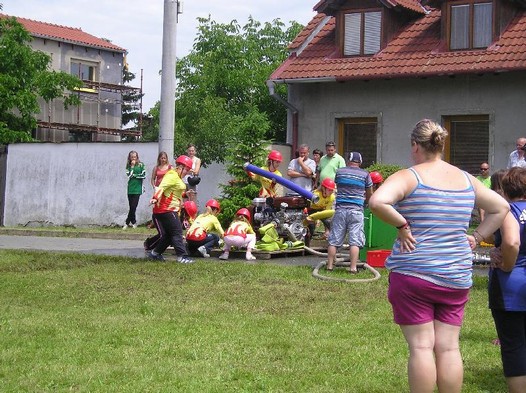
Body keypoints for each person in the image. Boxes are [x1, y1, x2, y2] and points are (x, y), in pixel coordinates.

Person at [368, 119, 509, 393]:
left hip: (413, 274)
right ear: (440, 145)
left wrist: (402, 225)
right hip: (455, 276)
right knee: (448, 348)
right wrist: (478, 236)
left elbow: (377, 201)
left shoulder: (409, 176)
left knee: (421, 347)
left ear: (415, 146)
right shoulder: (466, 179)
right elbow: (501, 207)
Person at [487, 167, 526, 393]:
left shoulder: (507, 210)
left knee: (513, 345)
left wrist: (507, 263)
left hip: (511, 287)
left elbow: (511, 242)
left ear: (505, 189)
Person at [326, 152, 373, 273]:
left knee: (334, 239)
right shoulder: (365, 174)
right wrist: (367, 203)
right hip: (356, 211)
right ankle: (353, 268)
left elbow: (337, 184)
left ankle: (330, 266)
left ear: (348, 161)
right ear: (360, 162)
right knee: (355, 241)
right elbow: (369, 193)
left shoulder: (340, 172)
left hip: (341, 209)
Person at [146, 155, 195, 263]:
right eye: (186, 169)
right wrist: (155, 198)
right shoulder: (172, 175)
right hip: (166, 210)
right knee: (177, 232)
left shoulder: (177, 177)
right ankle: (182, 257)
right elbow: (161, 187)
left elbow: (173, 192)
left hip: (166, 210)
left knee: (168, 235)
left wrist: (185, 194)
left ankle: (155, 253)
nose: (187, 172)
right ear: (180, 167)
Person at [305, 177, 336, 244]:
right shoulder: (315, 195)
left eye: (332, 190)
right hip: (310, 210)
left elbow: (327, 211)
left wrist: (327, 229)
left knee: (329, 223)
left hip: (321, 210)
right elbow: (306, 206)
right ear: (323, 188)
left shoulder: (332, 197)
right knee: (311, 227)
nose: (331, 192)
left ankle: (333, 242)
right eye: (329, 190)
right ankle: (307, 243)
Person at [124, 150, 146, 230]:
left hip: (138, 188)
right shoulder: (128, 166)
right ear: (129, 158)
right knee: (131, 206)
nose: (133, 158)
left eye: (135, 157)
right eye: (132, 157)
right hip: (130, 188)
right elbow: (129, 176)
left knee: (134, 206)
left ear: (137, 157)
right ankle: (133, 222)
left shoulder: (141, 165)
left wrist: (135, 175)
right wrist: (132, 167)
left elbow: (143, 175)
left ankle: (126, 222)